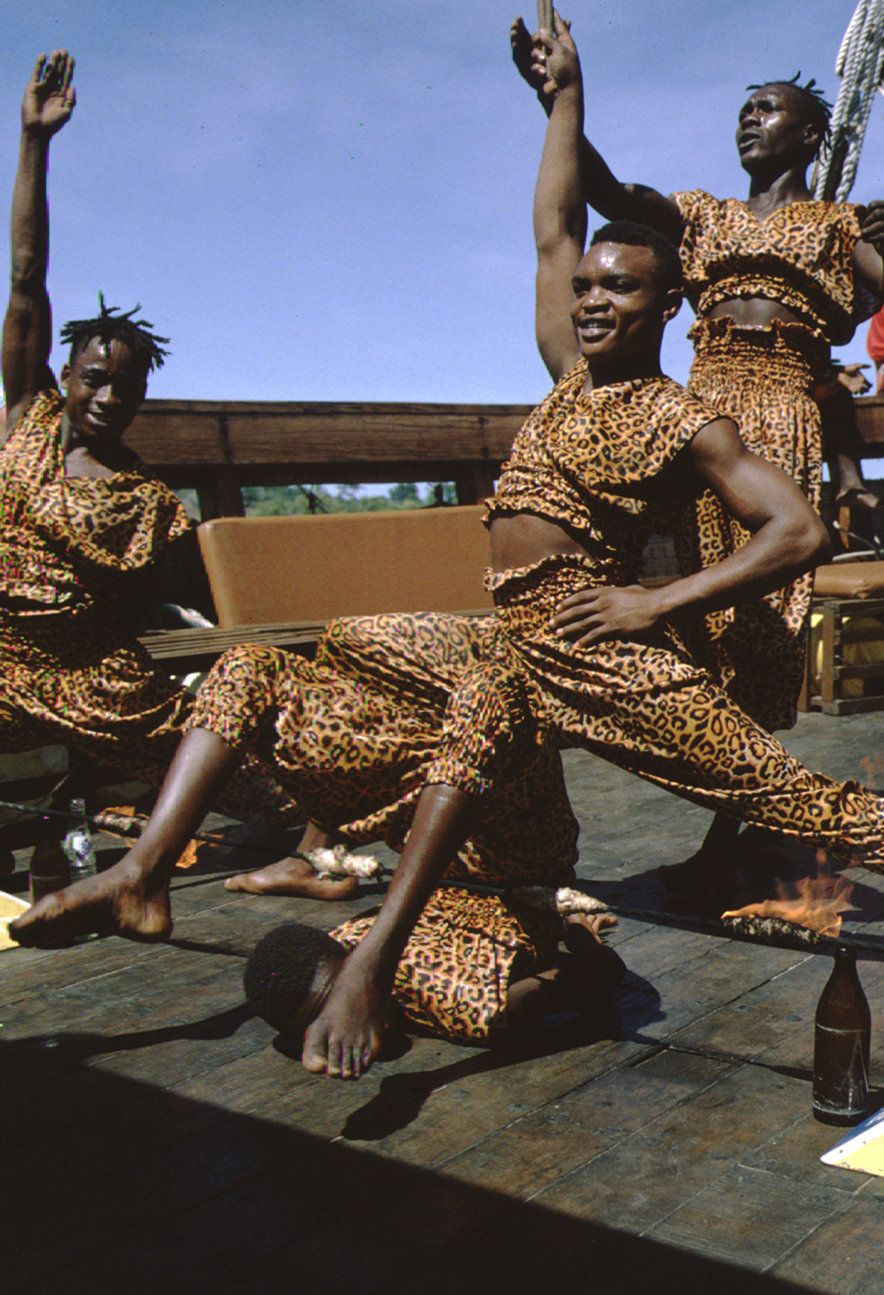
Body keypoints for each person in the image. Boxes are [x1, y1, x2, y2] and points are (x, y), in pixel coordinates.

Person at [12, 36, 884, 1090]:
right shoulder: (566, 376)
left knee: (798, 800)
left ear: (668, 310)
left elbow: (797, 532)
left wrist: (658, 596)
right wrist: (564, 98)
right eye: (591, 286)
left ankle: (372, 960)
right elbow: (552, 225)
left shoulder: (680, 415)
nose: (594, 298)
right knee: (278, 664)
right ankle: (140, 873)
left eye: (621, 289)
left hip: (586, 642)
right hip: (504, 635)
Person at [511, 11, 884, 879]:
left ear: (812, 130)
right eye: (743, 108)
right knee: (699, 622)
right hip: (703, 403)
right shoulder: (698, 216)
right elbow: (603, 193)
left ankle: (736, 839)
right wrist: (562, 97)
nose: (748, 118)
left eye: (769, 108)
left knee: (760, 627)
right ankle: (738, 818)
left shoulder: (838, 226)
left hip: (785, 407)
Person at [0, 52, 295, 860]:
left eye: (124, 389)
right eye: (93, 379)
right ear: (64, 375)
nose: (106, 398)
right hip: (0, 662)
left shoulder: (148, 499)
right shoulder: (26, 418)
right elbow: (27, 275)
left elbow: (196, 596)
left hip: (97, 683)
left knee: (271, 798)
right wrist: (35, 144)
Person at [244, 894, 624, 1056]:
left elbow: (605, 972)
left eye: (336, 1006)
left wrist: (579, 932)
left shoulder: (453, 1001)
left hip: (530, 898)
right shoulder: (342, 940)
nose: (339, 1026)